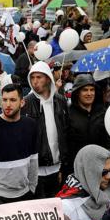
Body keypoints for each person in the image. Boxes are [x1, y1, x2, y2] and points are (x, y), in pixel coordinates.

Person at [22, 61, 69, 197]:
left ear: (48, 78)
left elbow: (66, 132)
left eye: (39, 77)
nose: (35, 81)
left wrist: (64, 165)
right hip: (35, 171)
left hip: (58, 167)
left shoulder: (60, 101)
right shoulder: (26, 103)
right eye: (32, 77)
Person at [67, 74, 110, 169]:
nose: (89, 93)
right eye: (85, 90)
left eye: (92, 90)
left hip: (101, 166)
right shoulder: (69, 113)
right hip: (77, 166)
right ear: (77, 92)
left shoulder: (103, 112)